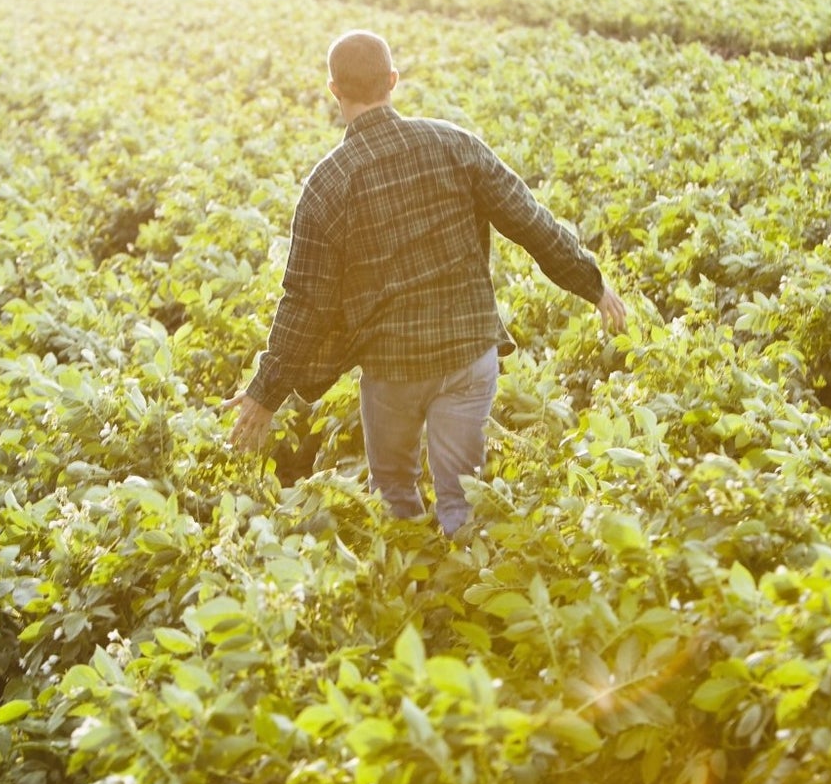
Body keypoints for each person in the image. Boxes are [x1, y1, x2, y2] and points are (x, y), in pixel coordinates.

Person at [224, 30, 626, 535]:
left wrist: (265, 393)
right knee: (463, 496)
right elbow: (530, 221)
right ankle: (466, 586)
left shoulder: (328, 183)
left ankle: (414, 595)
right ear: (393, 80)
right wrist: (592, 283)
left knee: (393, 493)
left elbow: (306, 302)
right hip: (467, 354)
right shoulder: (455, 144)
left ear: (333, 91)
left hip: (393, 370)